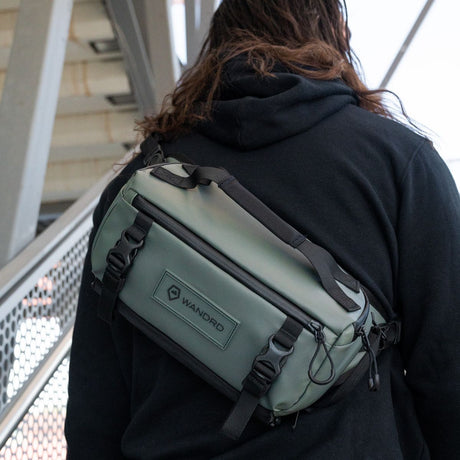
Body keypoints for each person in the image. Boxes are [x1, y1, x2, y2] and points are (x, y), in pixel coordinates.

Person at [65, 1, 460, 458]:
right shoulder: (399, 164)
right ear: (333, 38)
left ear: (217, 47)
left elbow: (96, 412)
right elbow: (448, 374)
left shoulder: (139, 186)